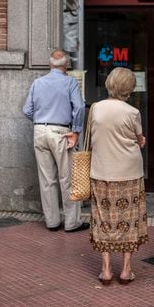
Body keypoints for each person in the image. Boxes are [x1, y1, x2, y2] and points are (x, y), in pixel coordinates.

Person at [89, 67, 148, 285]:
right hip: (129, 172)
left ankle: (105, 270)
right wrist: (140, 141)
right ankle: (126, 269)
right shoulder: (132, 112)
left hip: (102, 170)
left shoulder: (95, 109)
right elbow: (139, 139)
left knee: (103, 218)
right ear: (129, 88)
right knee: (129, 219)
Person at [23, 49, 89, 233]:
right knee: (67, 178)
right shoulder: (70, 83)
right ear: (66, 65)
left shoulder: (38, 83)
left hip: (39, 130)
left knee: (47, 179)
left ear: (50, 64)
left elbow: (27, 110)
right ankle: (72, 222)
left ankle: (52, 221)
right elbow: (80, 107)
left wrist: (41, 122)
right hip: (61, 132)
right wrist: (76, 131)